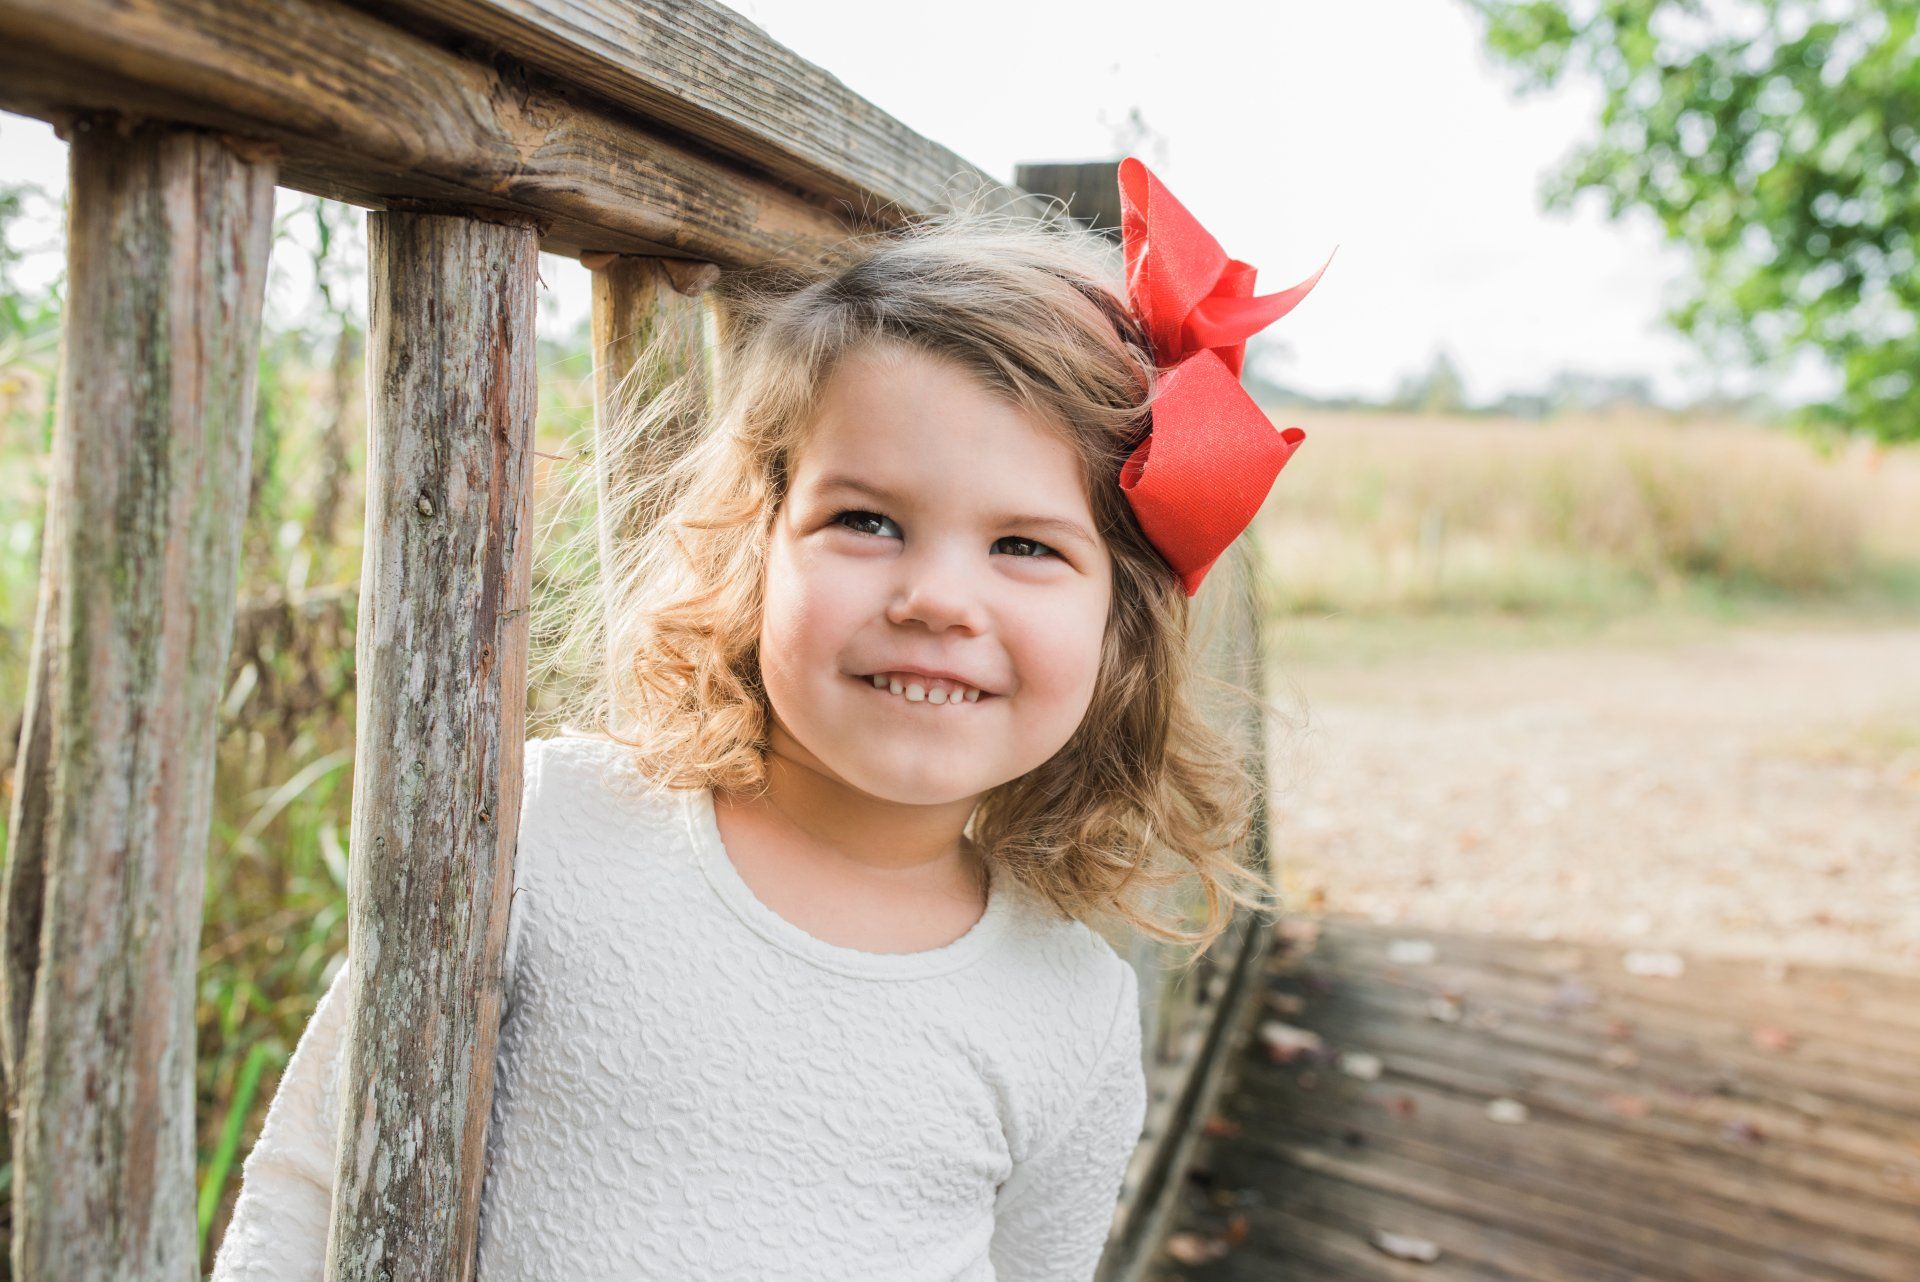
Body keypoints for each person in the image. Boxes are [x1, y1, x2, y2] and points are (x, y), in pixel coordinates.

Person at [210, 157, 1329, 1281]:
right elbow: (312, 1182)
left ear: (1118, 628)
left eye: (1025, 545)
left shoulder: (1070, 1010)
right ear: (755, 545)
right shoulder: (555, 832)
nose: (937, 598)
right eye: (867, 521)